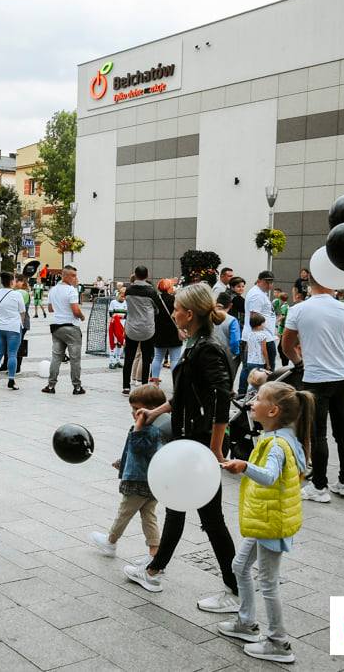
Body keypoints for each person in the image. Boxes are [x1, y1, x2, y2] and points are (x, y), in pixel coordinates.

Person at [125, 283, 239, 613]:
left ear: (189, 314)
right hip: (190, 443)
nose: (172, 312)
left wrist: (215, 451)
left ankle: (236, 590)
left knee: (211, 518)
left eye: (175, 308)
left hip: (200, 446)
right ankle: (154, 570)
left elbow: (220, 401)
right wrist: (155, 411)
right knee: (177, 505)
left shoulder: (207, 348)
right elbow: (187, 397)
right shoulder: (195, 343)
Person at [218, 381, 314, 664]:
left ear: (272, 410)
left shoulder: (276, 443)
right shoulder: (283, 437)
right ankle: (246, 622)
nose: (251, 402)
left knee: (269, 582)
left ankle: (278, 642)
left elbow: (271, 476)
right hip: (266, 518)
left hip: (272, 522)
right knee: (240, 566)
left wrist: (244, 466)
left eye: (257, 399)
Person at [282, 273, 344, 503]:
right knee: (343, 432)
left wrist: (299, 363)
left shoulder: (299, 310)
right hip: (343, 377)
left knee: (318, 433)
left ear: (309, 284)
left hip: (315, 377)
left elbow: (287, 345)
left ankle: (319, 485)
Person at [89, 384, 169, 559]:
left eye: (136, 409)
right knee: (149, 516)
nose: (133, 413)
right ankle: (154, 551)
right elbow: (136, 453)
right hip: (150, 482)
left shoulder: (150, 430)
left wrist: (139, 426)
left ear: (152, 410)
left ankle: (110, 542)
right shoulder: (152, 428)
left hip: (138, 482)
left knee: (124, 513)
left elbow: (139, 447)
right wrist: (122, 463)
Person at [42, 264, 86, 395]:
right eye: (72, 275)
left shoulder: (53, 290)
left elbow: (50, 309)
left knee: (56, 357)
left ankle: (51, 386)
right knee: (75, 359)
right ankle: (77, 387)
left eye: (75, 275)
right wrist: (82, 316)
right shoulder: (71, 291)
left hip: (56, 327)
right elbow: (75, 310)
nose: (75, 278)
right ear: (64, 275)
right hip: (71, 328)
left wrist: (60, 309)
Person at [121, 266, 157, 394]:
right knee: (146, 358)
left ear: (135, 275)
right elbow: (157, 308)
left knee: (129, 358)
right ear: (147, 275)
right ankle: (144, 385)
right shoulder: (151, 291)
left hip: (131, 328)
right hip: (147, 329)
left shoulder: (129, 290)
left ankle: (126, 387)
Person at [0, 272, 26, 389]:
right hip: (13, 328)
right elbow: (22, 312)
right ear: (11, 282)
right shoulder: (17, 295)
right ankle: (11, 380)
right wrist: (22, 323)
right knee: (12, 354)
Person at [243, 271, 278, 371]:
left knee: (251, 369)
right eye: (267, 282)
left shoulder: (260, 292)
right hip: (262, 337)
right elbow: (254, 317)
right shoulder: (257, 295)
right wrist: (259, 339)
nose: (269, 285)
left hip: (265, 336)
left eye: (271, 282)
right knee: (263, 370)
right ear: (259, 281)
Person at [150, 279, 182, 388]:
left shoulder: (155, 300)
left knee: (158, 357)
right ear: (169, 287)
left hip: (159, 331)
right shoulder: (175, 300)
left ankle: (155, 382)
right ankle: (176, 383)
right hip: (173, 331)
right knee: (175, 359)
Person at [239, 312, 273, 396]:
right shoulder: (262, 335)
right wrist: (268, 363)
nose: (264, 325)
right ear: (259, 325)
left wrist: (246, 360)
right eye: (263, 323)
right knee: (258, 382)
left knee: (252, 380)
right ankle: (254, 397)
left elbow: (247, 348)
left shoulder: (249, 334)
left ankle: (248, 396)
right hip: (259, 362)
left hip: (250, 361)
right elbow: (264, 350)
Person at [213, 290, 241, 371]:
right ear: (230, 305)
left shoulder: (209, 316)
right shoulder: (232, 320)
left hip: (210, 352)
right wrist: (235, 353)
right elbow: (235, 341)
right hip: (226, 355)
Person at [107, 288, 127, 369]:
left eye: (124, 296)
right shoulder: (113, 302)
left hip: (123, 325)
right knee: (113, 342)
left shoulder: (126, 302)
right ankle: (112, 361)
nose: (123, 298)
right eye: (122, 296)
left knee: (120, 343)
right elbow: (111, 314)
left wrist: (121, 316)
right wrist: (119, 316)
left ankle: (118, 360)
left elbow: (127, 314)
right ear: (118, 295)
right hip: (115, 325)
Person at [275, 292, 290, 366]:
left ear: (280, 299)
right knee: (280, 347)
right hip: (283, 327)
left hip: (283, 327)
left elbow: (283, 316)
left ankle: (285, 363)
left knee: (280, 347)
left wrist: (276, 321)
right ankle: (284, 362)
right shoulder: (286, 305)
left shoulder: (284, 306)